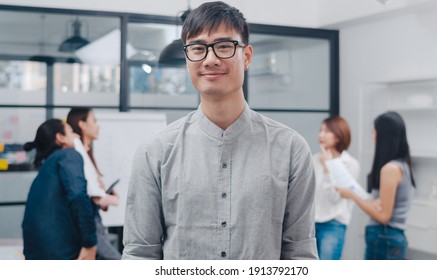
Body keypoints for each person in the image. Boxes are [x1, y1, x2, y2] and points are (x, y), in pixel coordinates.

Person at [122, 1, 318, 260]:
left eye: (224, 46)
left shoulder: (291, 149)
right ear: (187, 58)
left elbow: (300, 255)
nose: (210, 59)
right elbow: (139, 255)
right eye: (198, 48)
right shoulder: (155, 151)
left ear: (246, 56)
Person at [336, 111, 416, 260]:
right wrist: (375, 203)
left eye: (374, 131)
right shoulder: (403, 165)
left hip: (384, 236)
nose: (372, 135)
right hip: (389, 237)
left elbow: (383, 216)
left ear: (383, 135)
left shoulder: (390, 169)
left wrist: (352, 195)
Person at [22, 119, 97, 260]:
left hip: (35, 251)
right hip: (61, 252)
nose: (77, 136)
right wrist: (90, 243)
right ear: (60, 138)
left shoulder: (46, 168)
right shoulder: (69, 154)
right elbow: (78, 195)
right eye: (70, 131)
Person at [67, 107, 122, 260]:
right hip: (89, 220)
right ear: (82, 124)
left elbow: (97, 198)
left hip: (93, 218)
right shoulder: (77, 150)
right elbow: (94, 197)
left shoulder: (86, 150)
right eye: (94, 121)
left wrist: (104, 193)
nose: (98, 125)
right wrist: (114, 199)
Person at [314, 116, 359, 260]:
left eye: (327, 131)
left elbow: (334, 198)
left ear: (339, 136)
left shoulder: (349, 164)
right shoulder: (314, 159)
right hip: (310, 224)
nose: (321, 134)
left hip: (333, 225)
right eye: (320, 130)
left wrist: (328, 168)